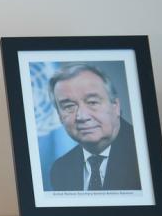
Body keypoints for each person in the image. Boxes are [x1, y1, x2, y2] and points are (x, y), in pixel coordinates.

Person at [45, 63, 141, 192]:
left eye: (92, 102)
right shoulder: (60, 170)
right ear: (59, 116)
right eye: (69, 106)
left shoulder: (144, 154)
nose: (82, 116)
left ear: (115, 106)